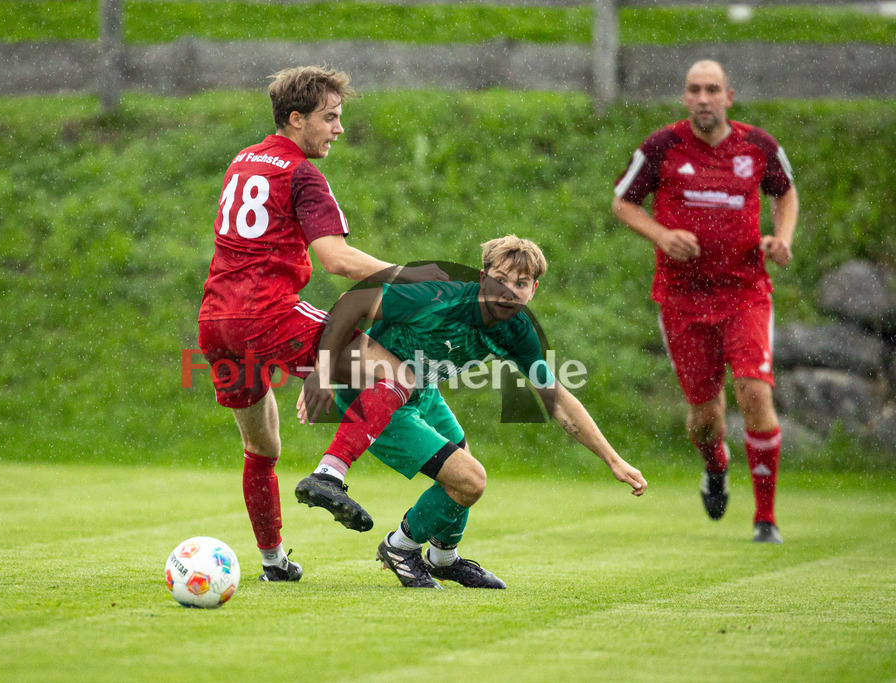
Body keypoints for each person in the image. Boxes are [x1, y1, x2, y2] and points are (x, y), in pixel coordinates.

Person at [197, 66, 447, 582]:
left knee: (262, 448)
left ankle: (274, 563)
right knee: (399, 374)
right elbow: (336, 259)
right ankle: (330, 473)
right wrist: (410, 276)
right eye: (329, 117)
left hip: (216, 320)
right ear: (296, 119)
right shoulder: (302, 173)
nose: (338, 128)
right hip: (267, 312)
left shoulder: (244, 159)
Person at [300, 236, 647, 588]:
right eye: (500, 279)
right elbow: (353, 302)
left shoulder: (517, 331)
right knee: (470, 480)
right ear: (483, 278)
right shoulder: (439, 299)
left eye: (520, 284)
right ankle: (400, 547)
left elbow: (555, 398)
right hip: (375, 396)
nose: (508, 292)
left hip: (422, 391)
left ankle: (443, 559)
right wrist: (322, 372)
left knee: (463, 465)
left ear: (533, 290)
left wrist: (613, 460)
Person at [612, 60, 798, 544]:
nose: (703, 98)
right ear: (684, 97)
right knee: (705, 416)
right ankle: (715, 467)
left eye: (712, 89)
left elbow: (785, 194)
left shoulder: (758, 146)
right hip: (683, 300)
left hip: (745, 293)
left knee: (754, 392)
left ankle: (765, 519)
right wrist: (661, 234)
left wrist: (781, 238)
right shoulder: (661, 147)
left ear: (728, 97)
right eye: (694, 90)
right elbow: (623, 202)